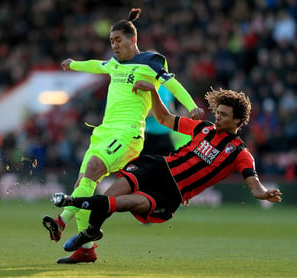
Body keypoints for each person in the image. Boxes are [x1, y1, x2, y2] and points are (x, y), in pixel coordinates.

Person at [42, 8, 204, 264]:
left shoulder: (152, 61)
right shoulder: (115, 63)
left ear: (132, 39)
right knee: (83, 184)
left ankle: (61, 221)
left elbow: (173, 83)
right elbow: (99, 65)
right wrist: (73, 64)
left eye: (118, 40)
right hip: (104, 132)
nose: (114, 45)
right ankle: (87, 249)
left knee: (93, 169)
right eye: (111, 41)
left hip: (128, 134)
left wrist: (192, 105)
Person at [50, 83, 283, 255]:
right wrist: (152, 91)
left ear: (238, 121)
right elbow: (164, 118)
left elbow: (253, 182)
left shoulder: (240, 153)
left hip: (171, 193)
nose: (217, 118)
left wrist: (262, 192)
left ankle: (70, 205)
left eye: (223, 115)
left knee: (124, 203)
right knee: (109, 194)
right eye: (217, 113)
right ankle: (90, 230)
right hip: (158, 168)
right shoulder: (203, 128)